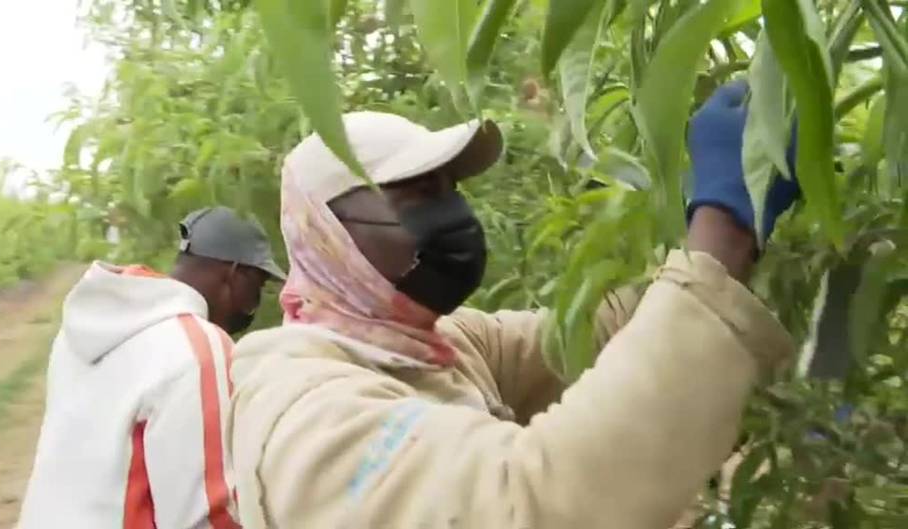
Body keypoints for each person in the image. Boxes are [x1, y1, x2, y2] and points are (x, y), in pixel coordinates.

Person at [228, 81, 799, 528]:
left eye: (450, 189)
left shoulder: (437, 348)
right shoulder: (305, 417)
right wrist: (722, 233)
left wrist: (705, 219)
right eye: (419, 195)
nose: (451, 214)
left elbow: (595, 334)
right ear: (327, 232)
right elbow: (536, 506)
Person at [18, 206, 285, 529]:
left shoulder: (79, 332)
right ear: (233, 274)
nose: (253, 304)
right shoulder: (199, 345)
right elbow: (209, 515)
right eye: (256, 288)